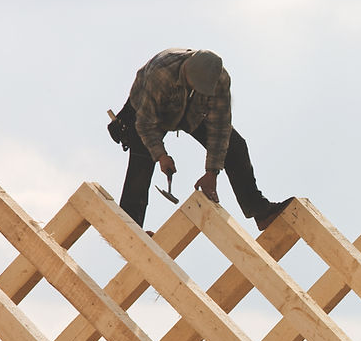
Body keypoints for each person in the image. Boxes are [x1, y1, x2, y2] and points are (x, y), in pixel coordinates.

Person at [107, 48, 292, 230]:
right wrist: (161, 155)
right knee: (140, 166)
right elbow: (145, 124)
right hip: (149, 110)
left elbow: (220, 129)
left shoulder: (219, 79)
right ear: (186, 69)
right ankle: (130, 229)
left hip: (191, 112)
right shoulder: (161, 72)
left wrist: (212, 172)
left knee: (235, 146)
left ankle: (260, 210)